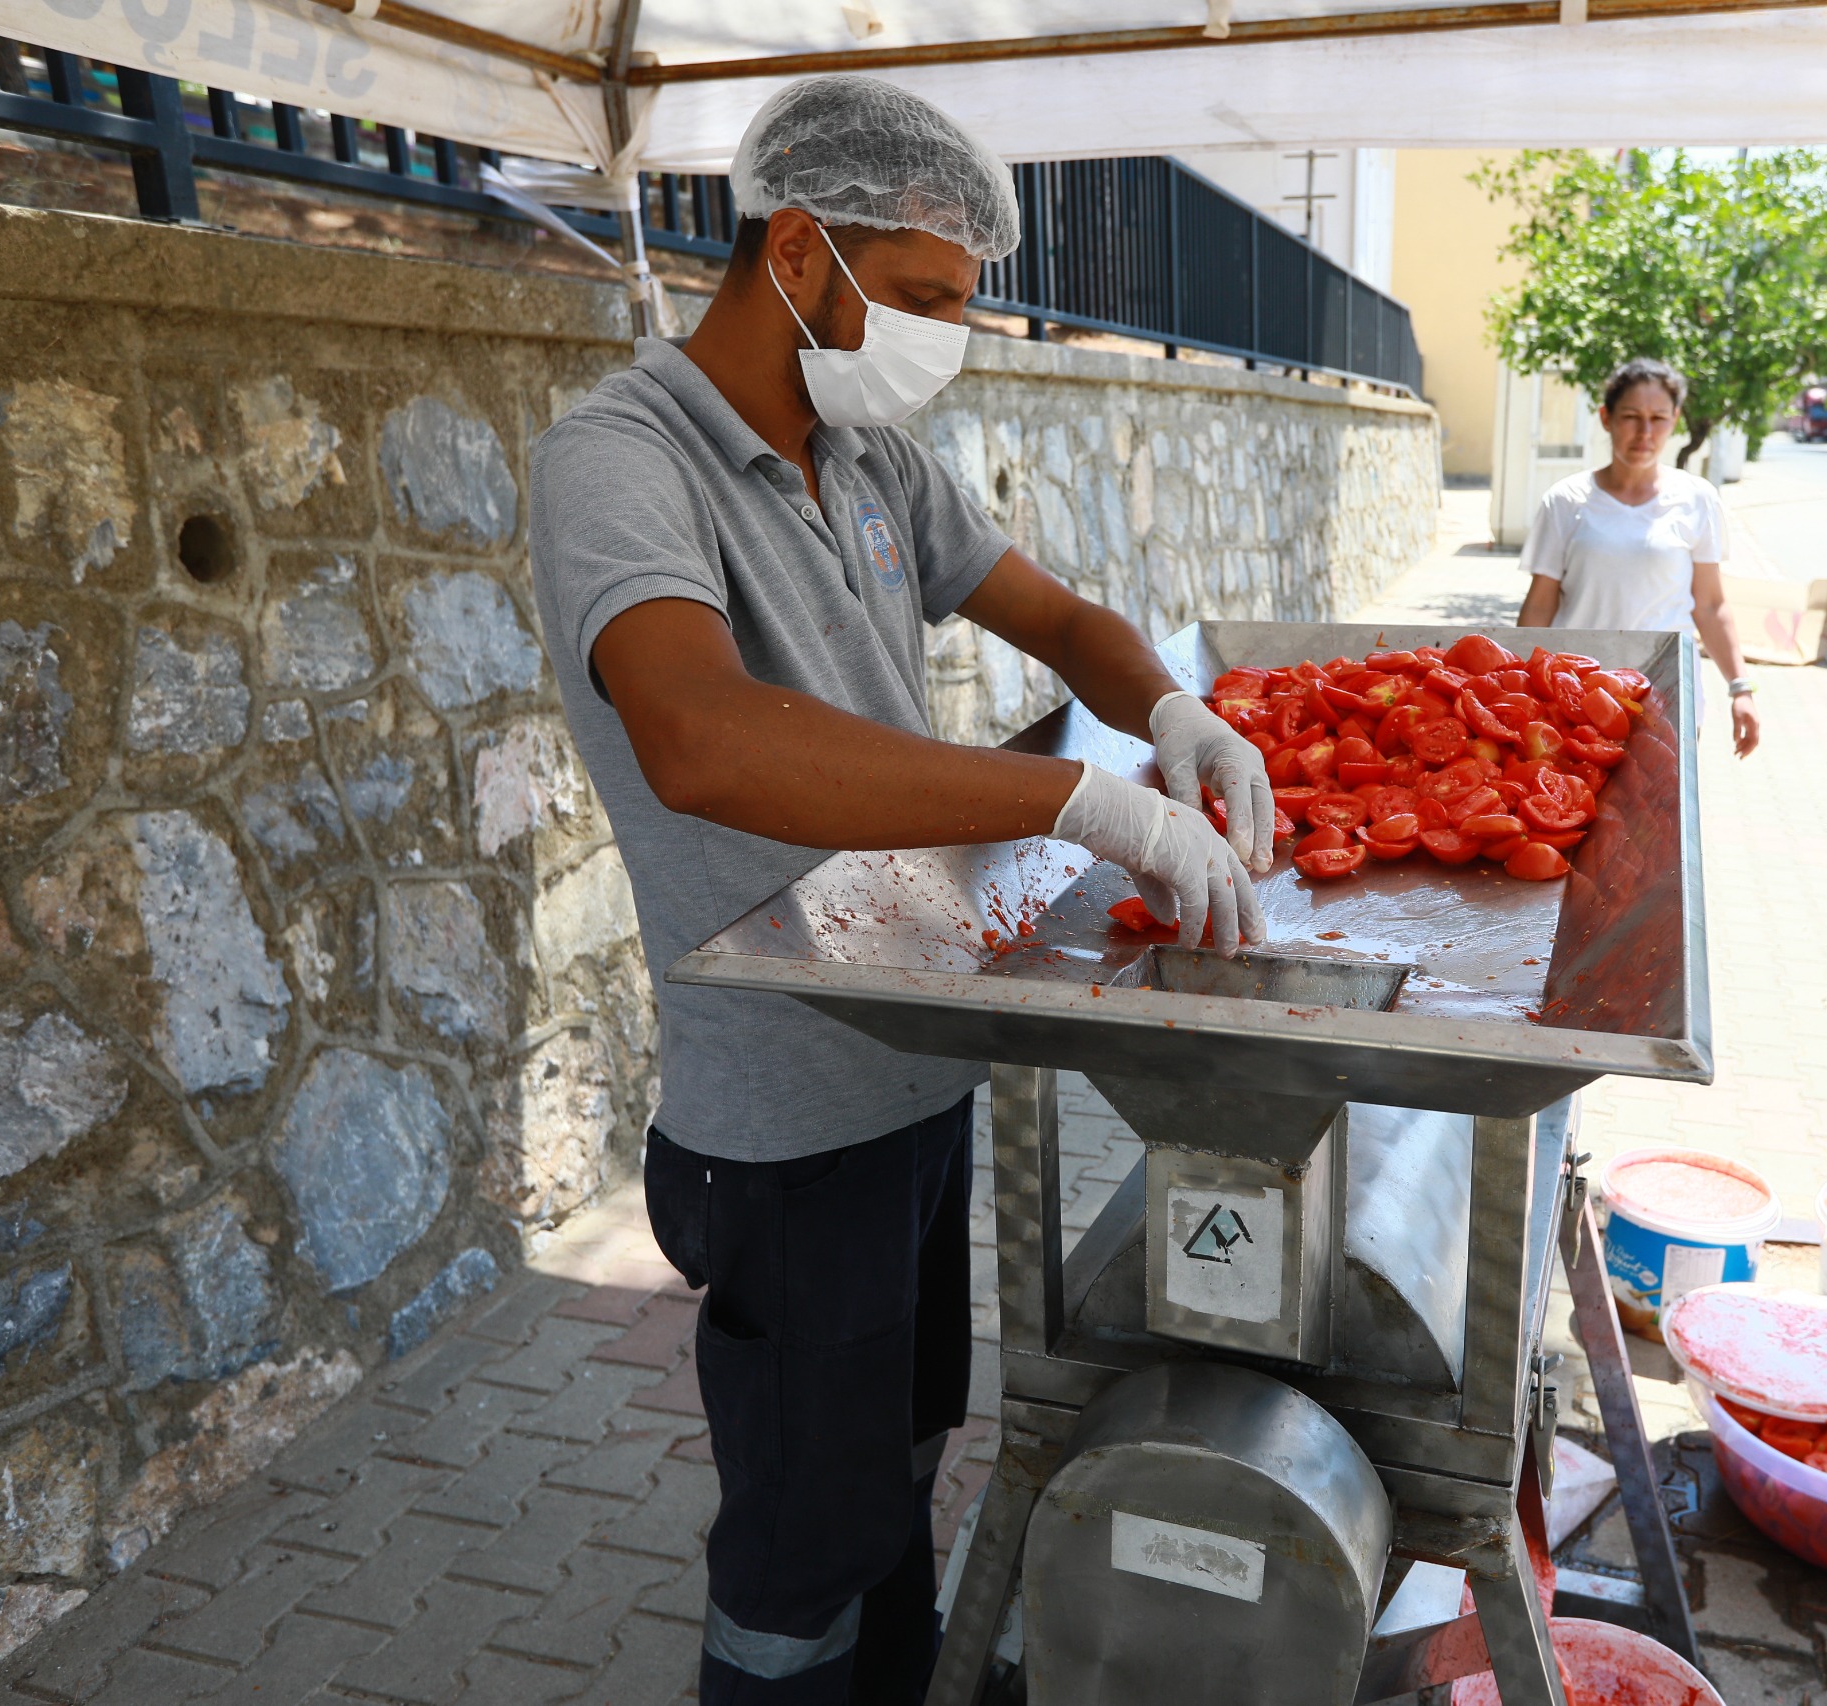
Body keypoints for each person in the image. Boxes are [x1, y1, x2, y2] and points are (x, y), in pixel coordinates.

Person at [527, 74, 1276, 1705]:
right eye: (926, 297)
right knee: (798, 1552)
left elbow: (1063, 621)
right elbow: (701, 737)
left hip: (921, 1068)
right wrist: (1082, 803)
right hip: (787, 1130)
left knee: (910, 1459)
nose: (944, 334)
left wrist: (1168, 713)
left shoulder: (868, 456)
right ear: (798, 251)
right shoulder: (620, 460)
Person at [1515, 358, 1761, 758]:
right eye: (1631, 416)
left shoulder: (1697, 499)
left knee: (1662, 815)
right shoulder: (1565, 500)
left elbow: (1711, 604)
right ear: (1605, 417)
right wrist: (1522, 684)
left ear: (1675, 420)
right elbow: (1541, 603)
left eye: (1658, 418)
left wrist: (1740, 689)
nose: (1645, 432)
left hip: (1663, 696)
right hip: (1575, 695)